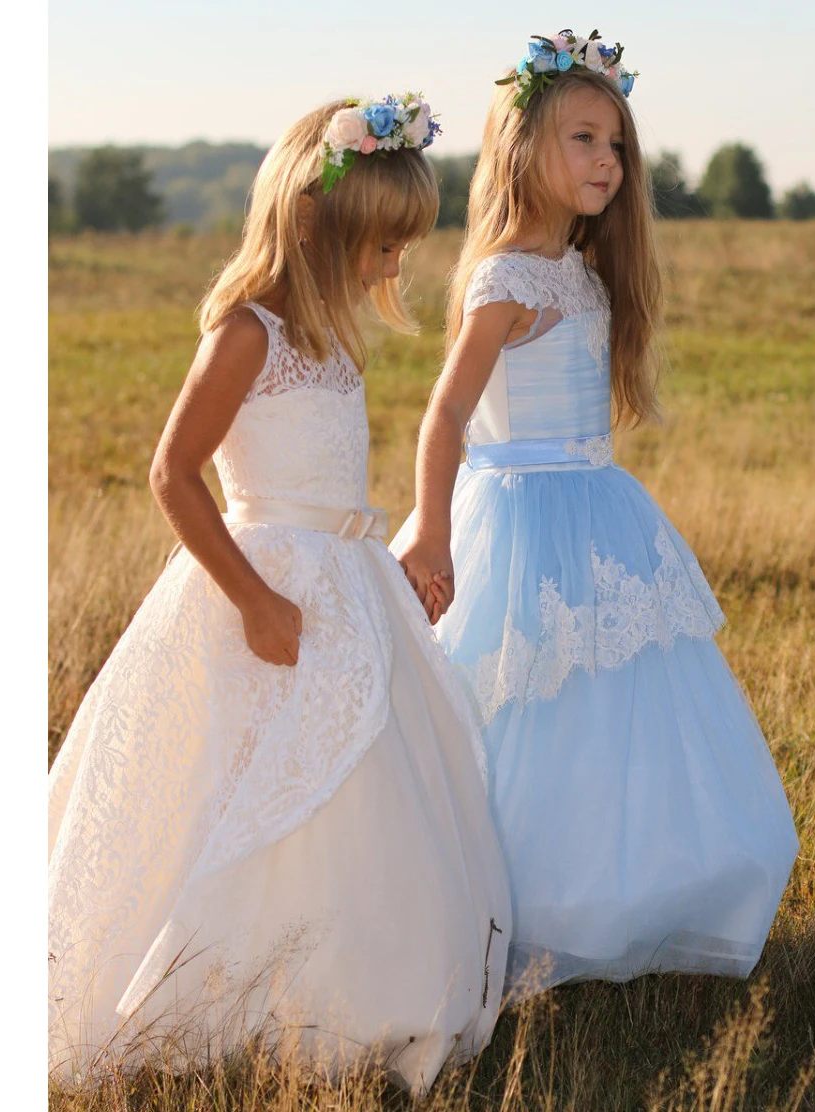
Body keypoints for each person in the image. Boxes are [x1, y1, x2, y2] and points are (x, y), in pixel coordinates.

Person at [48, 95, 511, 1095]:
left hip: (346, 591)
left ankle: (355, 985)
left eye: (400, 247)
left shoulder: (334, 342)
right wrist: (254, 598)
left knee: (359, 791)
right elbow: (172, 473)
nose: (392, 267)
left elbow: (335, 494)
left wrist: (378, 563)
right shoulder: (246, 334)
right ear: (312, 221)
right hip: (265, 595)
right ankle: (225, 988)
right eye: (378, 245)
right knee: (248, 781)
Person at [392, 32, 798, 996]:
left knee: (616, 709)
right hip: (523, 518)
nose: (606, 162)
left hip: (600, 512)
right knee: (527, 712)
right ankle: (525, 910)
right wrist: (429, 524)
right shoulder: (503, 279)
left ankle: (627, 894)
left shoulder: (576, 271)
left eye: (615, 145)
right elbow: (446, 412)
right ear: (522, 145)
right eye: (583, 139)